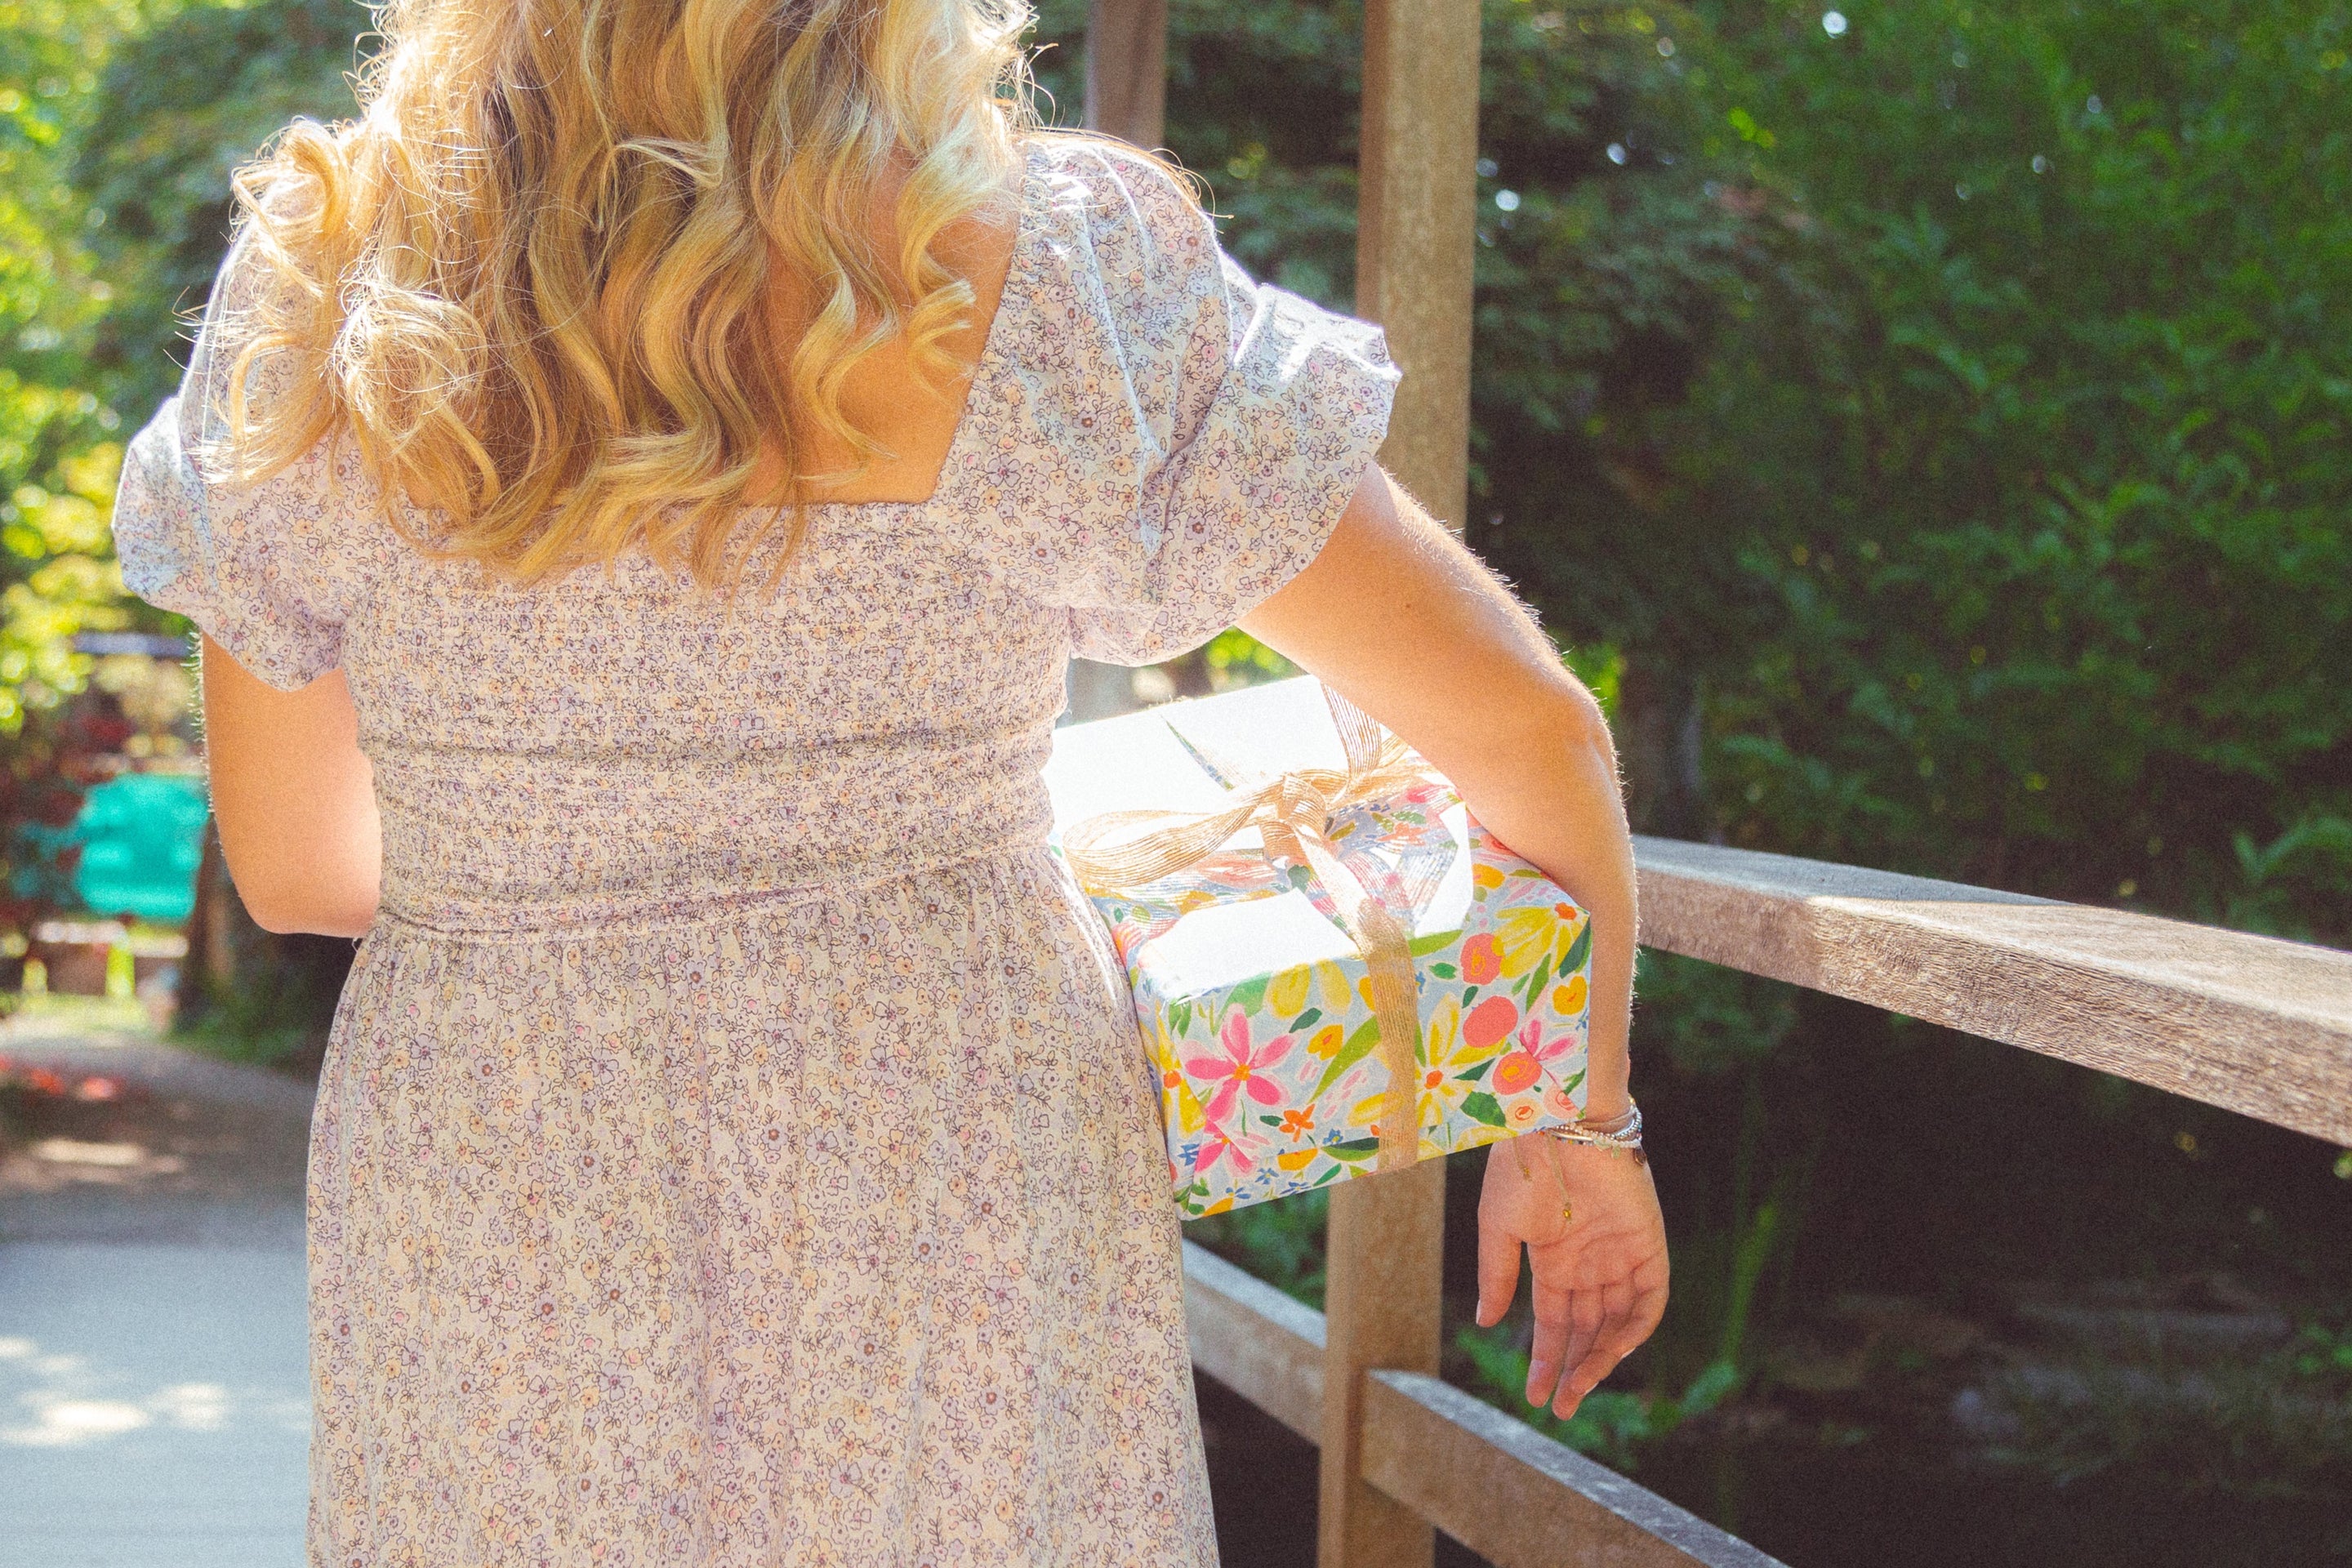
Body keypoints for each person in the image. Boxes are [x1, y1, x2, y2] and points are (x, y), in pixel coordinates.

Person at [110, 0, 1667, 1560]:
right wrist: (1574, 1122)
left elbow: (300, 870)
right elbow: (1535, 736)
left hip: (495, 1170)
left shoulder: (332, 284)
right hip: (958, 1160)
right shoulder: (1025, 265)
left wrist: (558, 863)